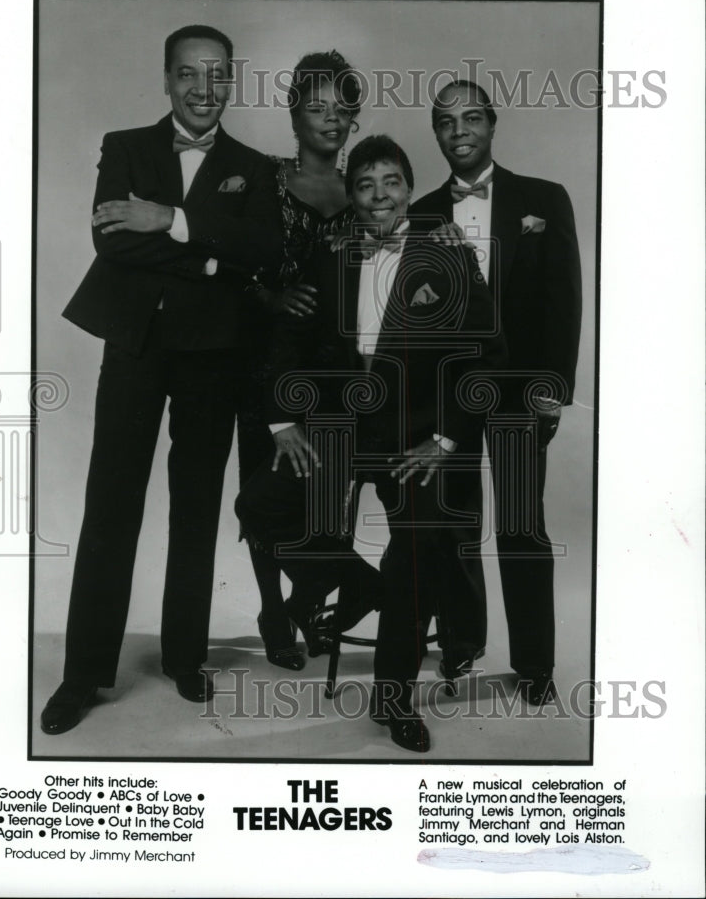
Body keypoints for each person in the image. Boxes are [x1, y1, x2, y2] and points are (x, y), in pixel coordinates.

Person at [40, 24, 283, 735]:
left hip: (214, 353)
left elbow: (262, 250)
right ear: (167, 79)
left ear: (230, 81)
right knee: (109, 505)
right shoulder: (126, 147)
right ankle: (83, 674)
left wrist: (168, 218)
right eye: (189, 74)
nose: (203, 89)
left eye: (216, 75)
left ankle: (184, 656)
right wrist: (209, 260)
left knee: (197, 505)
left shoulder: (254, 165)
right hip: (136, 348)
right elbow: (110, 241)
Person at [236, 136, 506, 753]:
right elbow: (291, 333)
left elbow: (485, 359)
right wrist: (283, 419)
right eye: (365, 184)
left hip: (413, 436)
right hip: (338, 423)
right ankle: (361, 586)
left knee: (417, 552)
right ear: (351, 195)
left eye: (391, 182)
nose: (379, 195)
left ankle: (394, 699)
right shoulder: (332, 253)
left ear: (410, 189)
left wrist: (444, 439)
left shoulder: (448, 255)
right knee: (260, 505)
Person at [411, 79, 582, 707]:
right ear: (436, 133)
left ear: (492, 123)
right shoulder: (422, 211)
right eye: (447, 122)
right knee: (456, 521)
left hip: (519, 393)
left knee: (520, 523)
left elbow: (566, 299)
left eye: (472, 118)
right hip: (450, 397)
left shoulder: (544, 198)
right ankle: (460, 644)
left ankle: (535, 663)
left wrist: (553, 389)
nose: (460, 131)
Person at [240, 50, 363, 671]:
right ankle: (270, 609)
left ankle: (306, 602)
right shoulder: (265, 177)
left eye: (343, 109)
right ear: (294, 113)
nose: (331, 119)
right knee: (264, 492)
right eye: (317, 106)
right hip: (266, 360)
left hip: (336, 377)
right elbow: (233, 261)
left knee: (325, 496)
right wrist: (271, 296)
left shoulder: (363, 188)